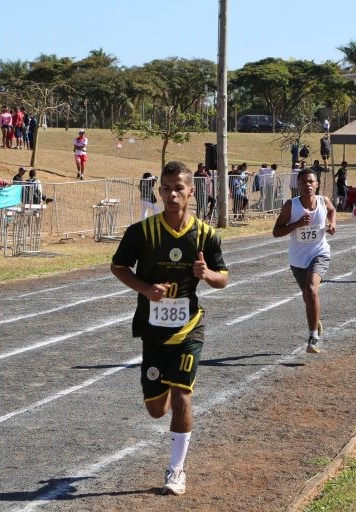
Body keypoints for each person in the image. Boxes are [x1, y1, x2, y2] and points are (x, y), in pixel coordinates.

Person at [110, 160, 228, 497]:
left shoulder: (205, 234)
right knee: (155, 408)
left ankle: (176, 471)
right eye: (166, 188)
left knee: (182, 397)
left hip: (190, 326)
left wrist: (206, 275)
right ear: (159, 190)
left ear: (191, 191)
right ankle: (159, 397)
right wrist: (145, 289)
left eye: (179, 188)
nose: (172, 194)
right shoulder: (142, 233)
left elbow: (223, 278)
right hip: (152, 328)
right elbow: (118, 266)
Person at [272, 167, 336, 354]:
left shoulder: (323, 202)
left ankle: (313, 338)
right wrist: (297, 224)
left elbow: (332, 211)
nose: (307, 185)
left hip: (320, 253)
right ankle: (316, 321)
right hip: (298, 259)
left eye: (311, 181)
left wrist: (332, 225)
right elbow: (276, 232)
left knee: (311, 289)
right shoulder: (291, 206)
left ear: (316, 184)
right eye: (303, 182)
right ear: (297, 185)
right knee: (307, 296)